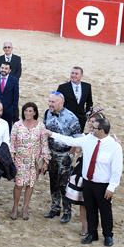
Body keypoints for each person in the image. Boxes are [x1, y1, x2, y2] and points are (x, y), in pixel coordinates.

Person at [46, 115, 123, 246]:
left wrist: (112, 187)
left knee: (105, 211)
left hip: (103, 184)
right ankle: (92, 234)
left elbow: (117, 169)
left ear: (102, 130)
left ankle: (108, 235)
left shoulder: (114, 147)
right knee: (90, 209)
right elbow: (70, 141)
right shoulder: (88, 139)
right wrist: (52, 134)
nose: (91, 129)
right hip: (88, 182)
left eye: (95, 128)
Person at [43, 92, 82, 223]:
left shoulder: (72, 118)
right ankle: (55, 207)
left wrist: (70, 155)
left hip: (65, 154)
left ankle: (67, 211)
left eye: (53, 102)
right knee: (53, 181)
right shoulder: (47, 113)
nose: (50, 104)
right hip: (51, 152)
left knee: (63, 184)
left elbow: (77, 139)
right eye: (49, 101)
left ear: (61, 103)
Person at [10, 102, 50, 221]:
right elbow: (12, 143)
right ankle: (15, 207)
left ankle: (26, 207)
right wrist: (12, 158)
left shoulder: (40, 126)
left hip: (34, 161)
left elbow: (44, 144)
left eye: (30, 111)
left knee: (30, 185)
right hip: (19, 160)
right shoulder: (17, 125)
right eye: (26, 111)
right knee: (18, 185)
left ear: (35, 112)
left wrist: (46, 161)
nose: (27, 113)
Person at [57, 66, 93, 132]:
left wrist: (87, 115)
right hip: (66, 119)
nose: (73, 75)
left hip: (81, 119)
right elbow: (57, 102)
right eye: (72, 73)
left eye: (76, 74)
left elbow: (89, 102)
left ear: (81, 75)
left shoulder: (87, 86)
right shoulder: (62, 87)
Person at [0, 62, 19, 130]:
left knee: (7, 129)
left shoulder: (14, 80)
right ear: (0, 68)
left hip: (8, 111)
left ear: (9, 70)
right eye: (2, 68)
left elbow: (16, 97)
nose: (3, 70)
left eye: (6, 68)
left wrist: (12, 110)